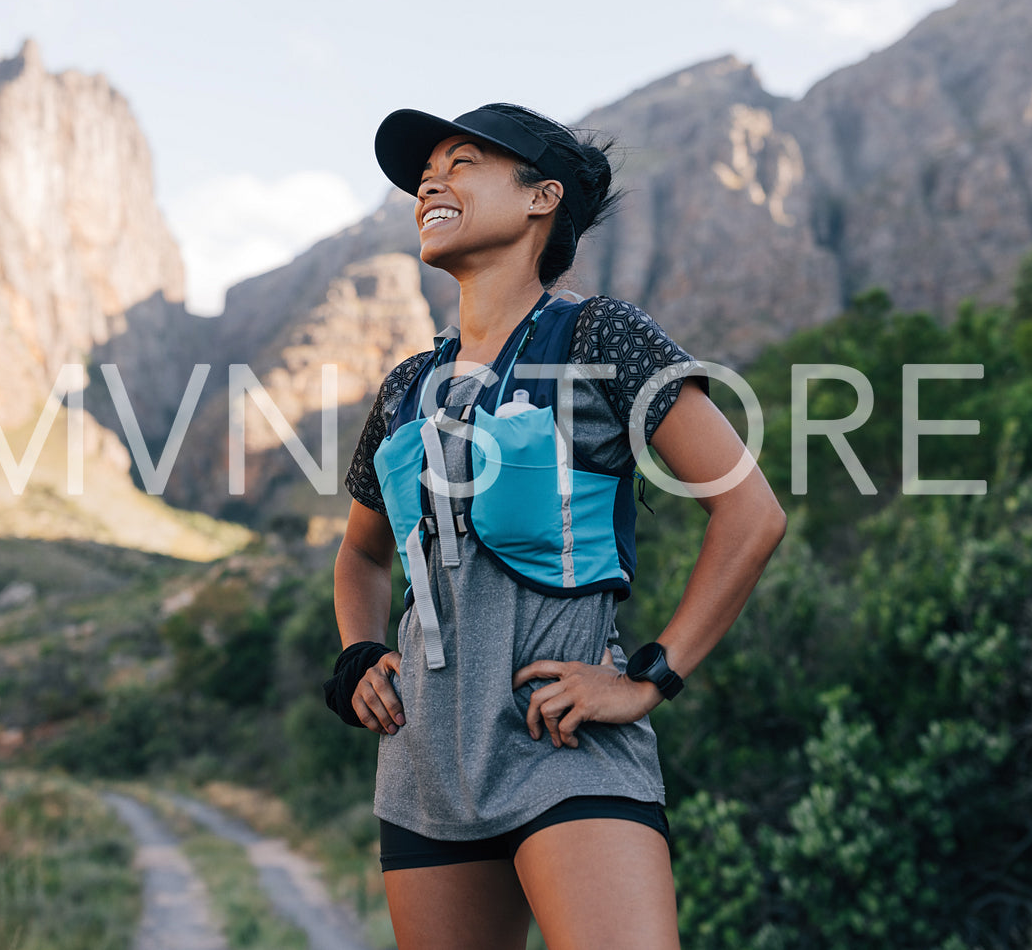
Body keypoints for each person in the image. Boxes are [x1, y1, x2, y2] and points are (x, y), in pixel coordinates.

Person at [325, 102, 786, 950]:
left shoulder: (600, 336)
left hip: (563, 746)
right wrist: (357, 654)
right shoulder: (405, 387)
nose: (431, 180)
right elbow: (359, 557)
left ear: (541, 197)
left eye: (461, 162)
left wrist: (650, 676)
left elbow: (749, 513)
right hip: (424, 769)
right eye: (425, 173)